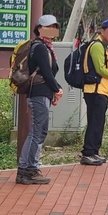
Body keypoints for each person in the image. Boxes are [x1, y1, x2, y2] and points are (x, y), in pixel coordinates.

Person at [16, 15, 64, 184]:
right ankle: (27, 170)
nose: (52, 29)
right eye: (48, 26)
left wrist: (54, 91)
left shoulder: (45, 47)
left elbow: (48, 73)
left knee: (38, 131)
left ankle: (28, 169)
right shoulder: (40, 47)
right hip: (38, 93)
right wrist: (57, 89)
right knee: (37, 132)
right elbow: (46, 72)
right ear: (39, 28)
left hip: (41, 93)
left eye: (54, 26)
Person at [80, 18, 108, 166]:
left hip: (101, 90)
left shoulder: (104, 47)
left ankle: (94, 151)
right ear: (102, 31)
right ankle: (88, 153)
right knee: (95, 122)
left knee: (98, 122)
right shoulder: (97, 46)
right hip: (95, 91)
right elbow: (100, 69)